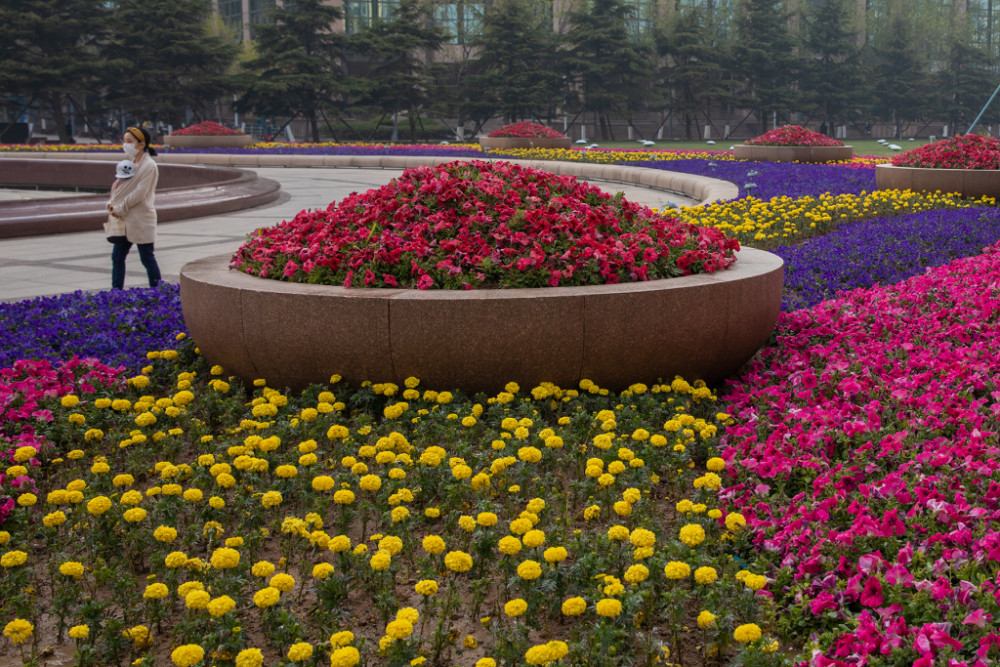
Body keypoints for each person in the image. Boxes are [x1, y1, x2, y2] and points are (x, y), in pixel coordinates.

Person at [106, 126, 161, 290]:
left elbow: (139, 193)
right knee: (117, 257)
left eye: (129, 142)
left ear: (141, 144)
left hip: (140, 219)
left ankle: (158, 291)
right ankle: (116, 292)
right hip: (123, 220)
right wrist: (111, 204)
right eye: (124, 141)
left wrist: (120, 208)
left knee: (147, 258)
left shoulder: (149, 166)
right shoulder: (128, 164)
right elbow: (118, 187)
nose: (125, 145)